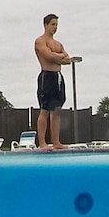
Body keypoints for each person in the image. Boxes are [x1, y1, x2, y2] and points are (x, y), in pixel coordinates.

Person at [34, 13, 73, 150]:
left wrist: (58, 57)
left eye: (56, 25)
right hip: (47, 76)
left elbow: (68, 59)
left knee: (57, 110)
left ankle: (56, 142)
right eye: (52, 24)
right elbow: (48, 56)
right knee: (45, 109)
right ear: (45, 25)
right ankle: (42, 143)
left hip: (58, 77)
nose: (55, 27)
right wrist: (59, 56)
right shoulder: (40, 41)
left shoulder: (58, 44)